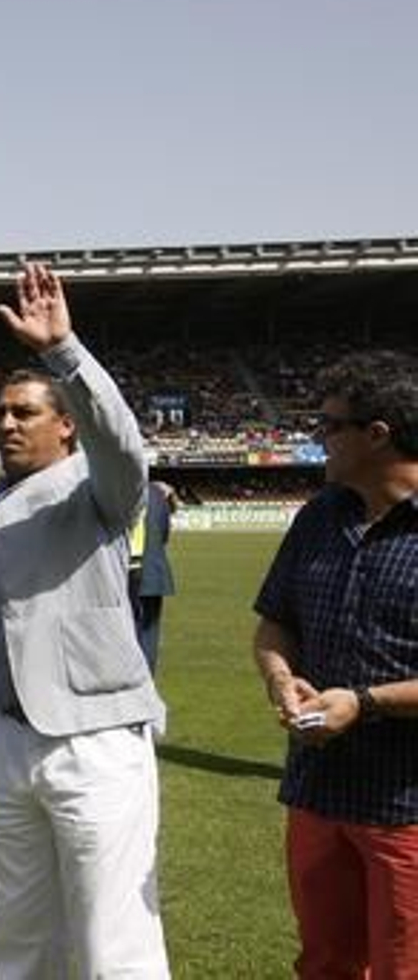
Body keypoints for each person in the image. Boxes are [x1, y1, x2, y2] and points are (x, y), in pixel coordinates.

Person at [0, 263, 169, 977]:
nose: (5, 423)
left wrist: (63, 352)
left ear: (66, 426)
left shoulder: (99, 490)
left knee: (112, 938)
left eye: (23, 411)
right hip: (5, 738)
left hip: (93, 737)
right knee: (15, 933)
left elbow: (122, 443)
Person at [251, 350, 418, 978]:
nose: (317, 439)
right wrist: (279, 677)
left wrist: (365, 701)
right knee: (323, 963)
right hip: (317, 794)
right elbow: (275, 622)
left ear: (377, 435)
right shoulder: (320, 515)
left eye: (329, 426)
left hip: (405, 804)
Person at [130, 480, 177, 673]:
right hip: (154, 573)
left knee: (124, 636)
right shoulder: (157, 494)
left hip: (126, 571)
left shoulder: (119, 488)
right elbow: (164, 533)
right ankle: (145, 684)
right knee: (148, 638)